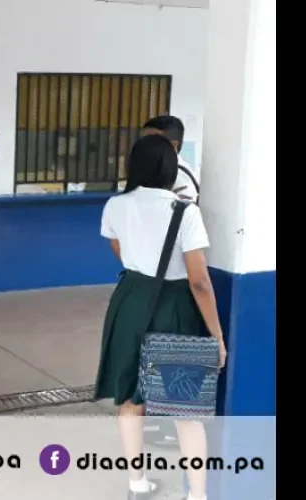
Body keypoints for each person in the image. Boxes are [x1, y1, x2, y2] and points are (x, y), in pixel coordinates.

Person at [95, 134, 226, 500]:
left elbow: (121, 253)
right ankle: (197, 495)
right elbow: (199, 281)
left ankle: (138, 485)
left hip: (130, 302)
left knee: (130, 402)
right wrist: (216, 336)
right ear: (171, 169)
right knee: (185, 407)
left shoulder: (115, 206)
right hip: (174, 307)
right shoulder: (185, 212)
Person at [142, 116, 200, 202]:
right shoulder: (158, 168)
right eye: (143, 140)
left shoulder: (178, 177)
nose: (143, 146)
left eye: (152, 141)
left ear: (173, 145)